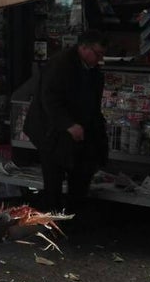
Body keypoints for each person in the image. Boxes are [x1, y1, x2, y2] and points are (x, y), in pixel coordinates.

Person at [21, 30, 109, 216]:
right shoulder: (60, 64)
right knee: (53, 181)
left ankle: (72, 219)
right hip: (51, 131)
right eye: (97, 53)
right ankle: (51, 222)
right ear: (83, 48)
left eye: (102, 54)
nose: (99, 59)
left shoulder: (92, 70)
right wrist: (69, 124)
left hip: (74, 131)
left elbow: (91, 102)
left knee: (80, 176)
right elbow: (49, 99)